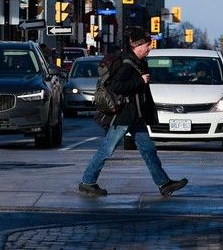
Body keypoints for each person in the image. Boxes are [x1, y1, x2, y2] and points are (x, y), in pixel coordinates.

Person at [79, 27, 188, 198]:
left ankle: (164, 184)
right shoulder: (126, 64)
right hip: (123, 115)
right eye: (147, 45)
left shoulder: (138, 61)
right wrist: (139, 80)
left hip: (135, 116)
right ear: (138, 46)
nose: (149, 48)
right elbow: (116, 86)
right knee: (107, 150)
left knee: (149, 149)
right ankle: (87, 182)